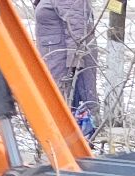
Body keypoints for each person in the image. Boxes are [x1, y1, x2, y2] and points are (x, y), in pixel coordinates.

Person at [34, 0, 98, 136]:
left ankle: (74, 148)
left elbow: (76, 25)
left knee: (67, 108)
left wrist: (74, 66)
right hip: (56, 59)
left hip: (64, 63)